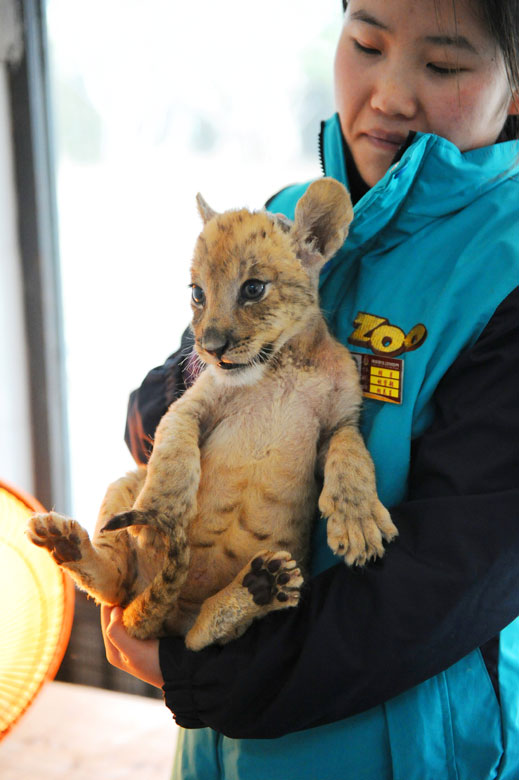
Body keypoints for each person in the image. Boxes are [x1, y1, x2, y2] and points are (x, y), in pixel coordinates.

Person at [102, 0, 519, 777]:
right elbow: (153, 407)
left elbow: (456, 573)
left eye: (443, 66)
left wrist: (202, 674)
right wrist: (204, 393)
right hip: (225, 740)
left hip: (399, 744)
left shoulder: (505, 266)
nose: (390, 93)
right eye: (365, 43)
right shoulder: (290, 218)